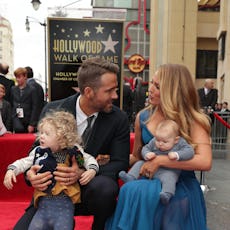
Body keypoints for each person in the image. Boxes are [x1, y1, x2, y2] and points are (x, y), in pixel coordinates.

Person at [13, 57, 130, 230]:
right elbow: (35, 152)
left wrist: (83, 171)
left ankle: (99, 225)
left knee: (105, 188)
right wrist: (31, 175)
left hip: (90, 192)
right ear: (89, 91)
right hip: (51, 195)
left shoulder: (118, 118)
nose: (115, 96)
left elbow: (120, 163)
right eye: (110, 91)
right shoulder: (53, 109)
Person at [106, 63, 212, 230]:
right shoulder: (143, 116)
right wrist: (110, 159)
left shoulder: (192, 119)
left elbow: (205, 161)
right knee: (131, 190)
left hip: (179, 184)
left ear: (172, 91)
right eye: (152, 84)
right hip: (147, 179)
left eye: (157, 86)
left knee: (154, 199)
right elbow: (138, 156)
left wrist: (161, 161)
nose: (151, 90)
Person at [4, 110, 99, 230]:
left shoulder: (74, 151)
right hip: (42, 206)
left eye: (47, 134)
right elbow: (24, 162)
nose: (41, 136)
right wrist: (11, 170)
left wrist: (91, 170)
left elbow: (88, 159)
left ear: (61, 138)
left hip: (64, 207)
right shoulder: (39, 151)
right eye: (41, 132)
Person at [119, 119, 194, 205]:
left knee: (170, 178)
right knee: (139, 163)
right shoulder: (155, 140)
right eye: (158, 140)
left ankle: (167, 193)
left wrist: (177, 155)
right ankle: (130, 177)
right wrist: (147, 154)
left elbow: (190, 151)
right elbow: (145, 148)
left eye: (165, 142)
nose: (160, 144)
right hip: (151, 169)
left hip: (168, 170)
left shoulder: (180, 142)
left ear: (176, 140)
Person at [10, 67, 40, 133]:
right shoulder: (13, 89)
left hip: (28, 120)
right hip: (16, 119)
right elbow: (11, 104)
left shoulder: (32, 90)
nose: (17, 79)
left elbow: (35, 107)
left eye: (19, 77)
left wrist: (32, 124)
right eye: (16, 77)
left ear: (25, 76)